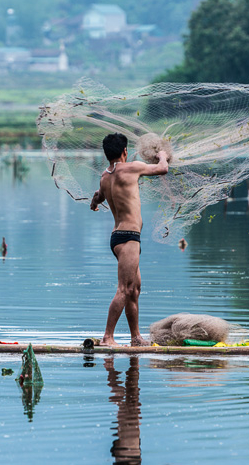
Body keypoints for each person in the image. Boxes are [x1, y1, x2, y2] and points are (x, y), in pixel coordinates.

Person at [90, 132, 168, 346]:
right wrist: (162, 155)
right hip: (129, 238)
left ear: (107, 154)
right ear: (125, 151)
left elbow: (99, 196)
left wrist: (94, 202)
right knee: (124, 289)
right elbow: (163, 169)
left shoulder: (105, 177)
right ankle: (108, 337)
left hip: (117, 238)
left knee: (134, 289)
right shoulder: (132, 167)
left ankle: (136, 338)